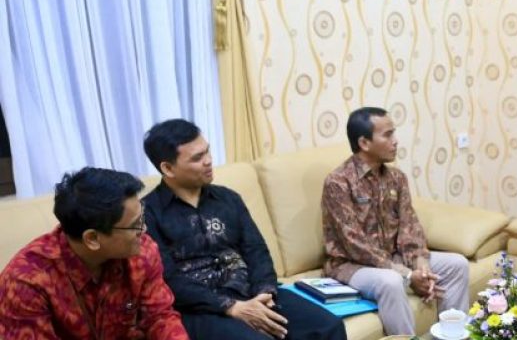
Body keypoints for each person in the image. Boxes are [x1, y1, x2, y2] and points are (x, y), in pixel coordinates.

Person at [142, 119, 346, 340]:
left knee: (329, 326)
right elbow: (168, 279)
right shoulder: (148, 214)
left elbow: (256, 251)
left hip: (251, 292)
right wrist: (230, 306)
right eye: (197, 158)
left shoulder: (227, 198)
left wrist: (264, 293)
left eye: (207, 151)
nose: (209, 161)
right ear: (168, 168)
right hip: (201, 309)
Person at [321, 107, 470, 335]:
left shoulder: (396, 178)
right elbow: (354, 244)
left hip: (393, 257)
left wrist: (420, 264)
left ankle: (453, 336)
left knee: (457, 265)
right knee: (391, 281)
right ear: (364, 143)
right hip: (351, 266)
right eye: (388, 135)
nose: (396, 141)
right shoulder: (338, 183)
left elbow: (410, 226)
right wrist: (407, 275)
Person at [0, 167, 189, 339]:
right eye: (134, 225)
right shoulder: (26, 282)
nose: (144, 230)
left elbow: (159, 317)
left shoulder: (142, 251)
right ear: (92, 238)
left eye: (142, 218)